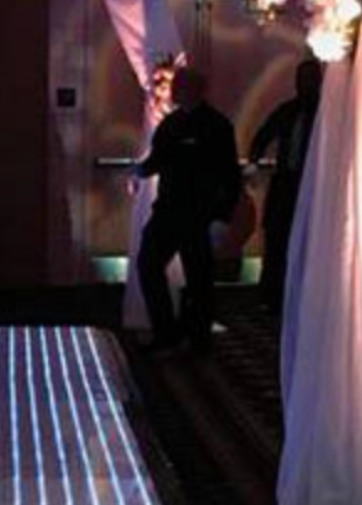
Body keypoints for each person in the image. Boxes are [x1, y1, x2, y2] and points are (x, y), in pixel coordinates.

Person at [135, 65, 241, 352]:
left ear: (196, 90)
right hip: (169, 210)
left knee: (198, 278)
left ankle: (195, 337)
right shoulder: (172, 124)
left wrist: (222, 216)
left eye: (180, 86)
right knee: (150, 265)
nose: (174, 91)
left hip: (198, 213)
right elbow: (158, 158)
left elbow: (229, 175)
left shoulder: (216, 126)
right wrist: (140, 171)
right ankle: (169, 332)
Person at [248, 57, 323, 314]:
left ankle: (304, 296)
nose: (305, 84)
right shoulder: (288, 110)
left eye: (310, 79)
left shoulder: (326, 113)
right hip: (285, 184)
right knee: (276, 240)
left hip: (312, 187)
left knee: (307, 243)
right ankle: (272, 296)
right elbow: (264, 134)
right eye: (301, 79)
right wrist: (254, 157)